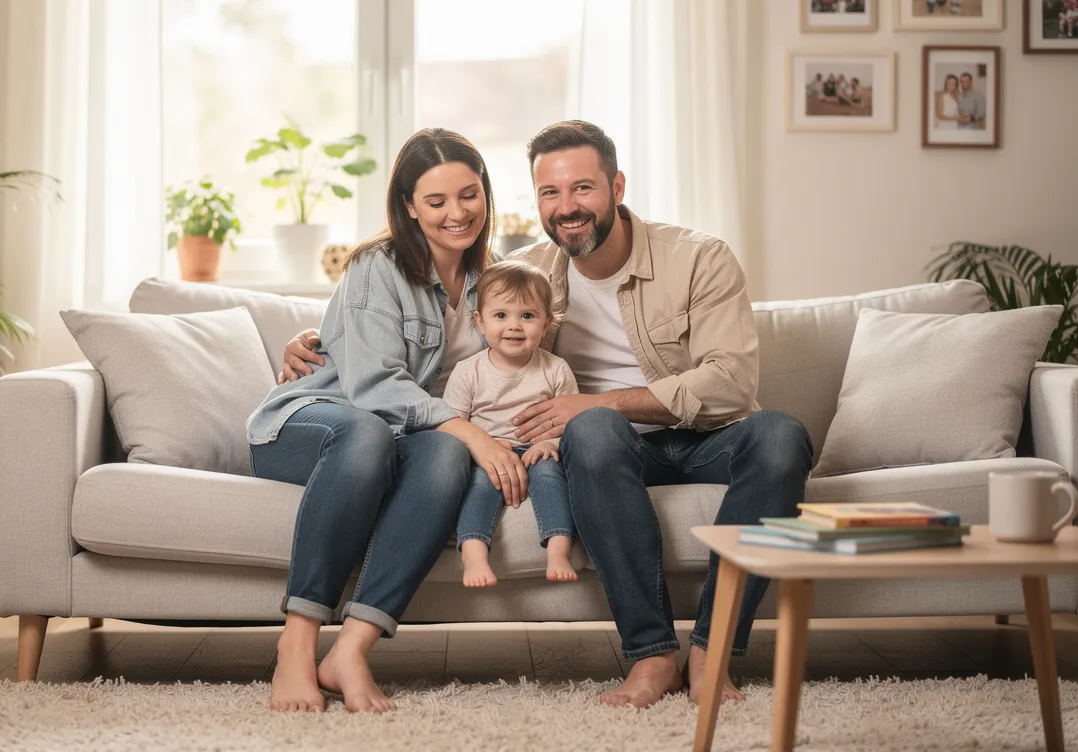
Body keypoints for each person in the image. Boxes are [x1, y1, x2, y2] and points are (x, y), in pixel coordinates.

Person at [279, 120, 814, 710]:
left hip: (698, 435)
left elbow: (732, 383)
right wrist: (321, 338)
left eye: (582, 188)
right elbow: (414, 344)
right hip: (598, 448)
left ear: (617, 186)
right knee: (590, 431)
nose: (567, 207)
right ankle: (653, 656)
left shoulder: (695, 258)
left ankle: (713, 656)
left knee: (783, 434)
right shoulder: (526, 272)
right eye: (549, 193)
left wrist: (593, 402)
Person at [246, 127, 523, 714]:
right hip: (309, 423)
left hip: (398, 436)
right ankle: (294, 648)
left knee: (446, 452)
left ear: (487, 194)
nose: (457, 213)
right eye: (436, 200)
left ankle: (351, 649)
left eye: (469, 194)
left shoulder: (492, 278)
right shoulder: (376, 265)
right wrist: (471, 431)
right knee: (375, 431)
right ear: (408, 207)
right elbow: (371, 386)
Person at [445, 260, 581, 588]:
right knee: (479, 486)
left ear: (547, 323)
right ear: (480, 322)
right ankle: (474, 556)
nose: (514, 326)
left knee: (551, 478)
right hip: (487, 453)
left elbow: (574, 424)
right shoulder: (468, 371)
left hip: (539, 451)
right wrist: (481, 449)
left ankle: (558, 551)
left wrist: (550, 445)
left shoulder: (556, 369)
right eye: (501, 315)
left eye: (528, 316)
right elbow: (451, 424)